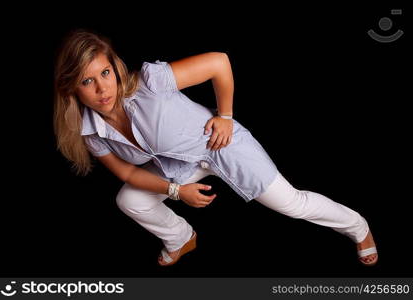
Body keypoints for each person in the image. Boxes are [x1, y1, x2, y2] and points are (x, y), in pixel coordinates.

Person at [53, 29, 378, 267]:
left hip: (221, 144)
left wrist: (225, 116)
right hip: (179, 167)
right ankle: (182, 238)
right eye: (87, 81)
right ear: (72, 88)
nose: (102, 87)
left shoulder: (149, 82)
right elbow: (125, 170)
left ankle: (357, 226)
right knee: (129, 200)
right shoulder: (91, 132)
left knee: (292, 204)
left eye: (105, 73)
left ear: (115, 67)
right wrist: (178, 191)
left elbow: (218, 63)